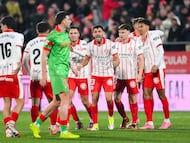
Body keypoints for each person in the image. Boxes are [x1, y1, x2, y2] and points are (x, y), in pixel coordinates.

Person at [29, 11, 80, 139]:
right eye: (68, 19)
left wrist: (73, 67)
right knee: (65, 99)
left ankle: (36, 124)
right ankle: (63, 131)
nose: (70, 21)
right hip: (56, 71)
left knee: (57, 101)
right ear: (62, 20)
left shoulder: (64, 35)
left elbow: (64, 54)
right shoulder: (52, 36)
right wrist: (44, 75)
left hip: (64, 70)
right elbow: (44, 56)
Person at [77, 25, 120, 130]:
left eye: (99, 31)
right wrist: (81, 65)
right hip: (95, 76)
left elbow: (117, 60)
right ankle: (95, 124)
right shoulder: (90, 45)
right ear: (93, 34)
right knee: (94, 99)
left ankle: (111, 118)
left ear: (103, 33)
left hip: (108, 75)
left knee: (109, 99)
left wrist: (112, 65)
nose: (97, 33)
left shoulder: (111, 44)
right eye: (95, 31)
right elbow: (87, 59)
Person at [23, 21, 58, 135]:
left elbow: (24, 60)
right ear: (48, 31)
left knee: (34, 104)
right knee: (52, 102)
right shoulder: (51, 42)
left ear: (37, 31)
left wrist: (30, 72)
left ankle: (35, 128)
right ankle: (53, 127)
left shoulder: (31, 43)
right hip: (47, 76)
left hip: (35, 76)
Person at [136, 18, 171, 130]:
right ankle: (149, 122)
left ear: (147, 27)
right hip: (147, 71)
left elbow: (161, 51)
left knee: (161, 94)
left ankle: (167, 120)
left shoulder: (153, 36)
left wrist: (156, 64)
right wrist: (140, 72)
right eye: (138, 27)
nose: (139, 29)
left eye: (141, 26)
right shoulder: (139, 40)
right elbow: (140, 58)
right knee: (146, 94)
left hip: (158, 69)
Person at [114, 24, 144, 130]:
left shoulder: (135, 44)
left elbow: (140, 59)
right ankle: (125, 117)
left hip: (131, 76)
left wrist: (140, 74)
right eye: (119, 32)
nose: (121, 34)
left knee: (133, 99)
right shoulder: (116, 44)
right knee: (116, 99)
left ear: (128, 33)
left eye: (123, 32)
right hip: (118, 76)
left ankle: (134, 122)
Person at [0, 16, 24, 138]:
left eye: (1, 25)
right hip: (13, 72)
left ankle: (8, 131)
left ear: (5, 25)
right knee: (21, 101)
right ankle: (11, 124)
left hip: (1, 73)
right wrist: (19, 66)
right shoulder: (19, 36)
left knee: (6, 103)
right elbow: (17, 52)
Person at [67, 26, 92, 129]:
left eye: (75, 33)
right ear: (68, 35)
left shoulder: (84, 44)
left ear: (79, 35)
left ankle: (93, 120)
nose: (73, 35)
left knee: (85, 101)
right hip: (70, 76)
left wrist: (74, 51)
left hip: (82, 76)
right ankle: (67, 123)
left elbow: (87, 56)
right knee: (68, 100)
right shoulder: (65, 45)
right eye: (71, 33)